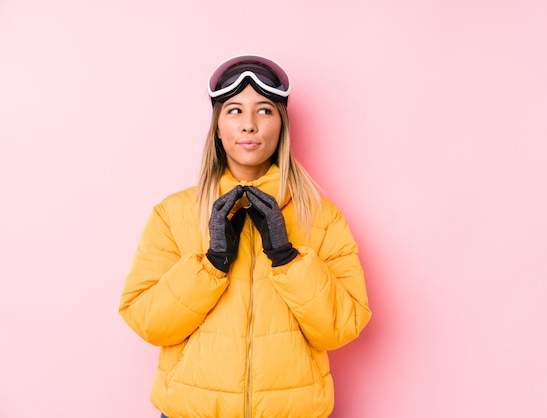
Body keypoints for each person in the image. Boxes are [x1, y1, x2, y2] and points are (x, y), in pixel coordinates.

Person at [119, 54, 371, 418]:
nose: (249, 124)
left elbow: (341, 328)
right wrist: (211, 264)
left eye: (265, 111)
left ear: (282, 125)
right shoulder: (172, 214)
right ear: (217, 127)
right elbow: (148, 322)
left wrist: (287, 258)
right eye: (234, 110)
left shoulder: (321, 216)